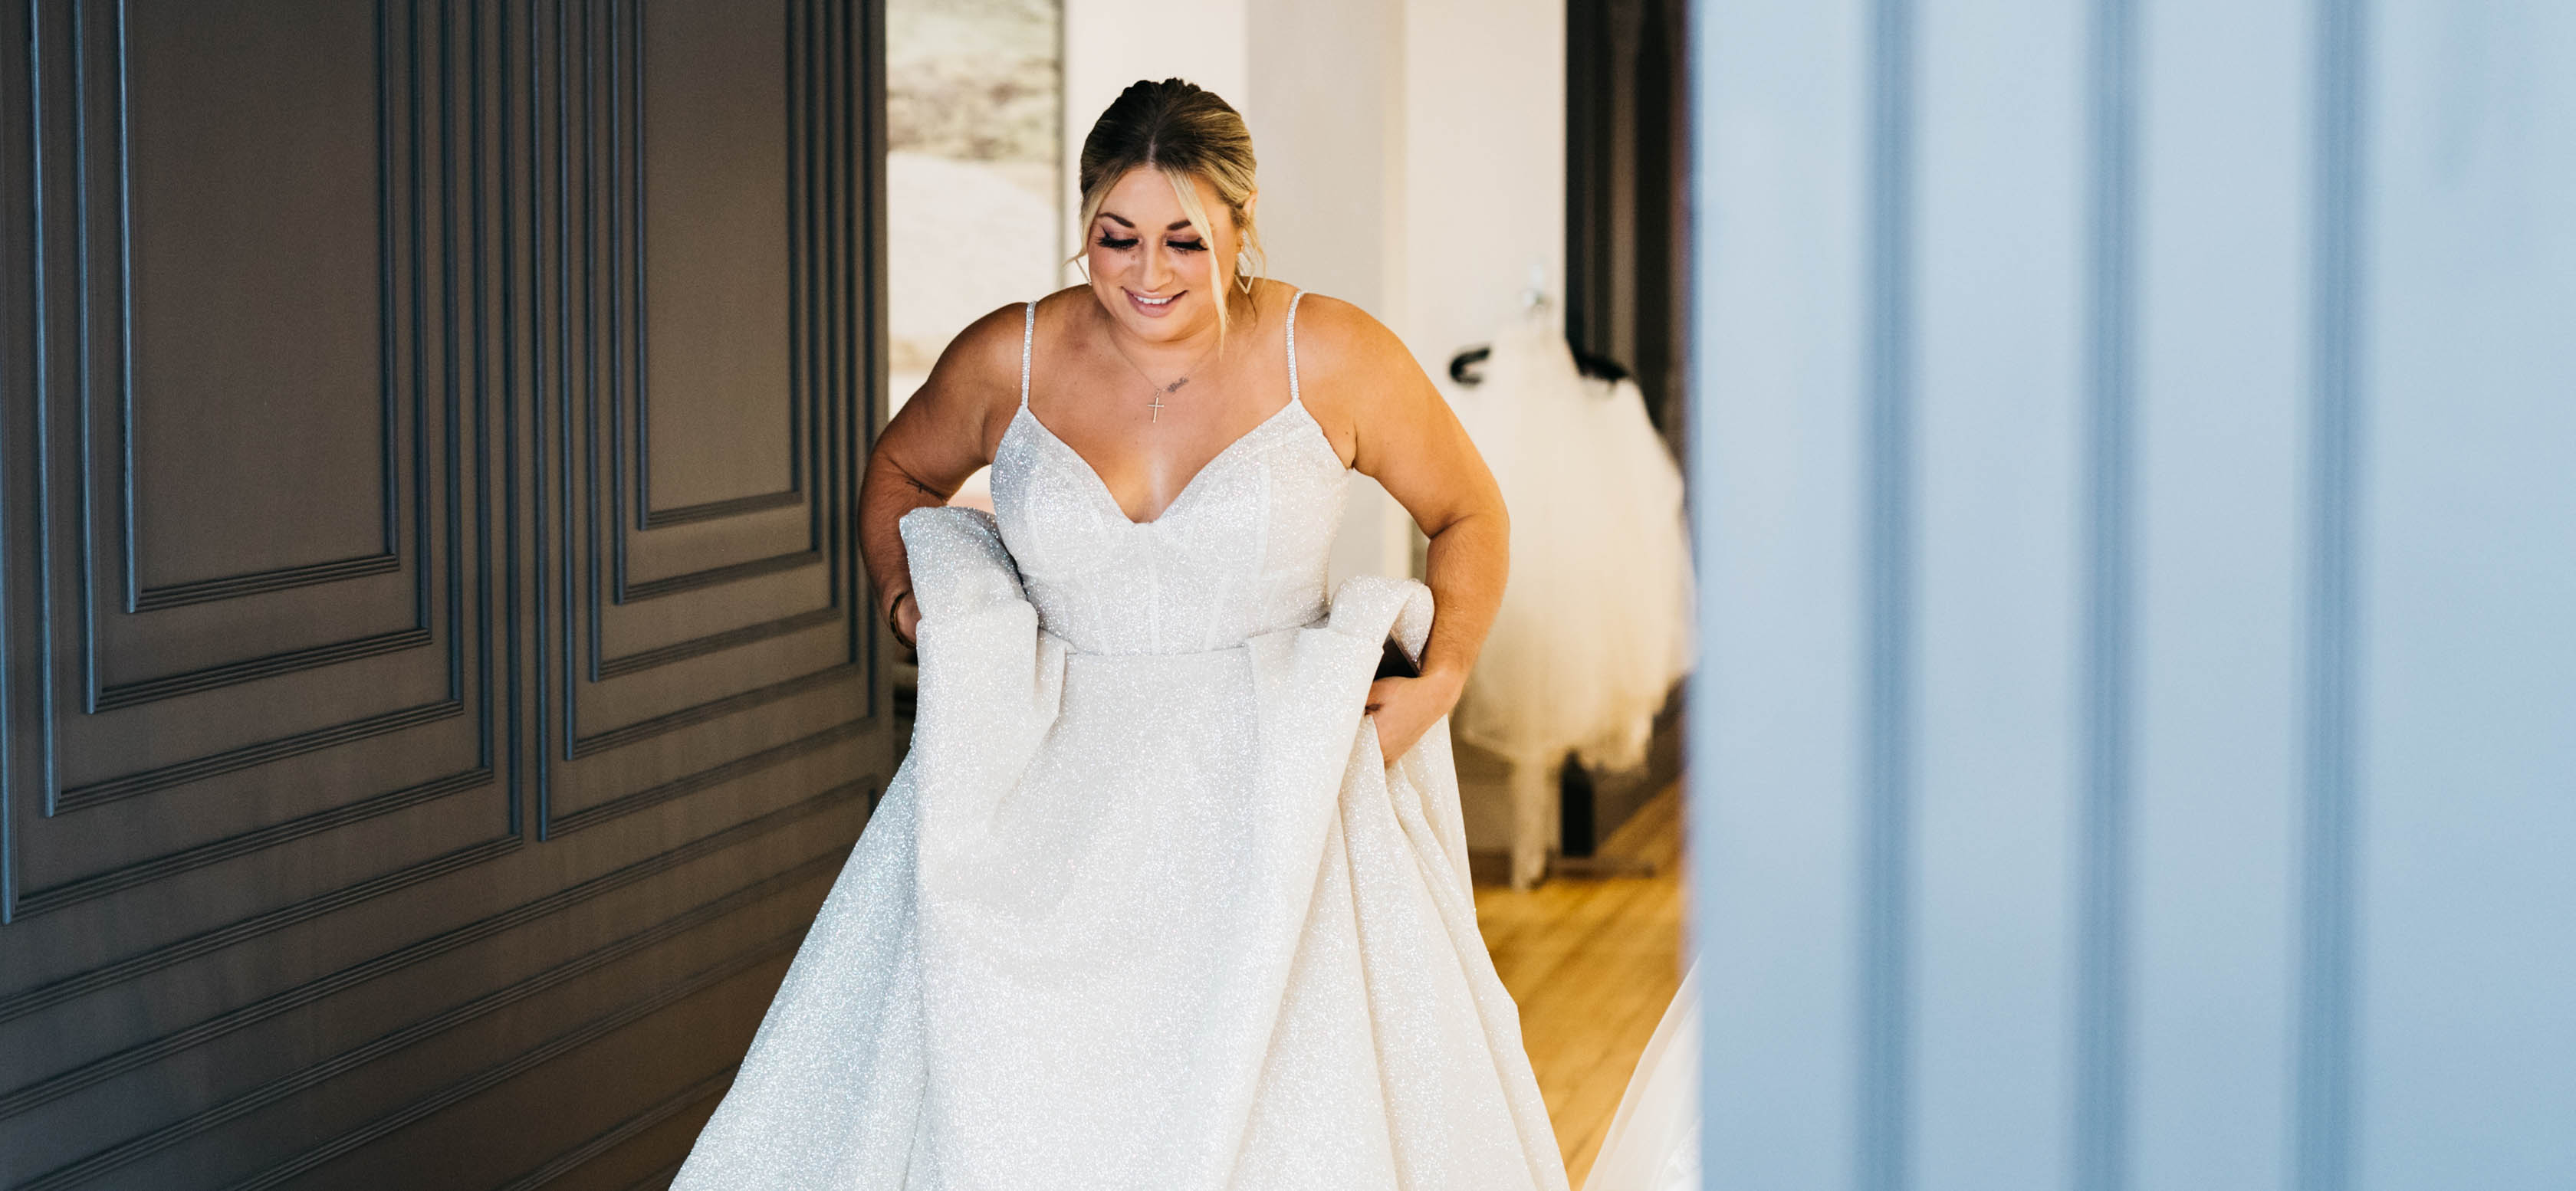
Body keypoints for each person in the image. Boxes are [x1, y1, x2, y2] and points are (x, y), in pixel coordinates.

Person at [671, 78, 1568, 1190]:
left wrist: (1444, 678)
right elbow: (899, 471)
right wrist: (916, 606)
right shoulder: (1014, 355)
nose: (1150, 274)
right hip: (1043, 798)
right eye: (1118, 237)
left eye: (1186, 239)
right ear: (1085, 223)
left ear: (1242, 229)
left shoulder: (1329, 352)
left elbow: (1468, 512)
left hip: (1275, 792)